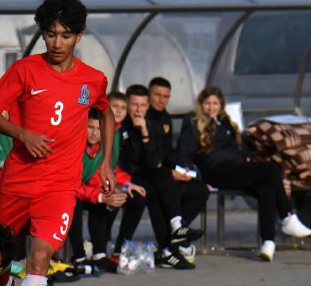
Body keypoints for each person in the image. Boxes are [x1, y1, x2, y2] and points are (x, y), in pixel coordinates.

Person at [0, 0, 115, 286]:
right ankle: (3, 284)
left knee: (40, 256)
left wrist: (106, 162)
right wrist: (23, 134)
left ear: (79, 36)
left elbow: (105, 115)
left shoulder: (93, 80)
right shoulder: (25, 70)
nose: (57, 42)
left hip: (59, 187)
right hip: (18, 183)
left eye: (65, 35)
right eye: (50, 34)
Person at [176, 86, 311, 261]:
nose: (211, 107)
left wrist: (247, 158)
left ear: (221, 105)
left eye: (215, 103)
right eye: (207, 103)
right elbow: (184, 153)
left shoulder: (225, 123)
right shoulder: (194, 124)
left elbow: (240, 150)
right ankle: (287, 216)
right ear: (201, 105)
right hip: (217, 170)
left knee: (266, 188)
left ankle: (268, 242)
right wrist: (194, 175)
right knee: (270, 168)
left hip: (237, 168)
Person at [118, 84, 202, 270]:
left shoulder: (149, 125)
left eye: (142, 106)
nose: (138, 110)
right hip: (125, 178)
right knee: (152, 189)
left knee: (191, 187)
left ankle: (173, 234)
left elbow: (155, 160)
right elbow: (126, 162)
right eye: (134, 105)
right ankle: (166, 243)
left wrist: (145, 135)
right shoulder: (121, 126)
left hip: (146, 175)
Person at [68, 109, 146, 272]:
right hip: (69, 191)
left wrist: (126, 184)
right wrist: (99, 197)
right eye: (90, 128)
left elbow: (105, 171)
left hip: (86, 191)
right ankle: (79, 256)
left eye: (98, 128)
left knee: (127, 197)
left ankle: (102, 254)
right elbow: (70, 184)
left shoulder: (102, 146)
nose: (95, 133)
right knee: (74, 203)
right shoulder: (73, 146)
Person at [146, 76, 209, 263]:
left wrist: (183, 170)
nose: (161, 100)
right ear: (149, 95)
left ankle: (177, 232)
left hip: (164, 172)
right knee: (156, 194)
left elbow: (168, 152)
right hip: (147, 173)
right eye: (157, 95)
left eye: (165, 96)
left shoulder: (165, 117)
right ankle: (167, 245)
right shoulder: (143, 117)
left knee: (199, 189)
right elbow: (147, 156)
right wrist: (169, 171)